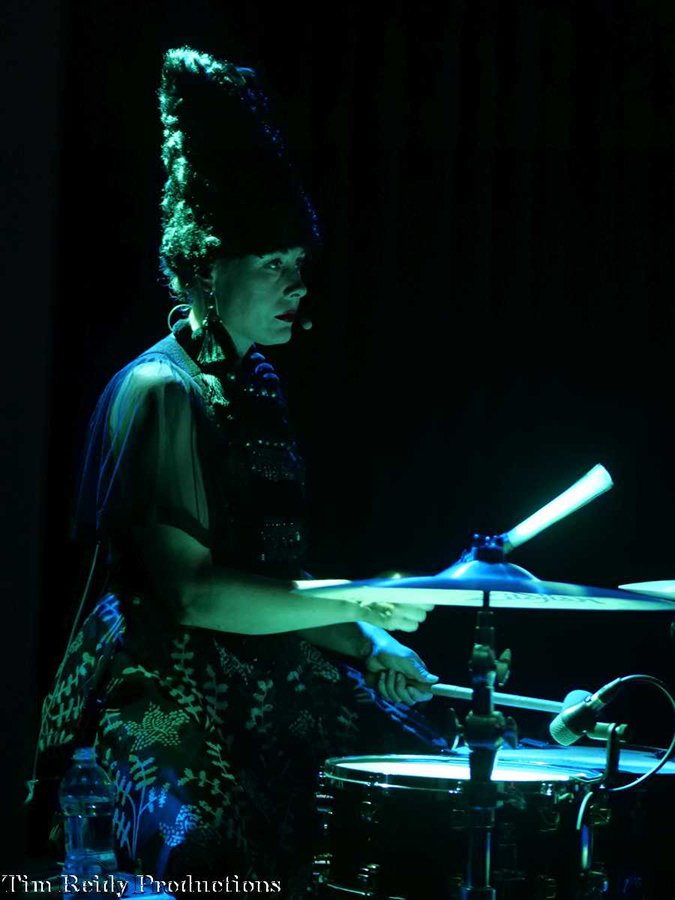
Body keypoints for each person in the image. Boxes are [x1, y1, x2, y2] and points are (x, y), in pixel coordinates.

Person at [34, 47, 446, 894]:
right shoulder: (161, 390)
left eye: (297, 265)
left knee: (422, 782)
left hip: (257, 676)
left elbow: (270, 588)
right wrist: (358, 601)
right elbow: (193, 597)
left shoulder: (255, 385)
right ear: (205, 267)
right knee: (218, 851)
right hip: (156, 693)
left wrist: (366, 639)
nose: (296, 286)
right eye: (272, 265)